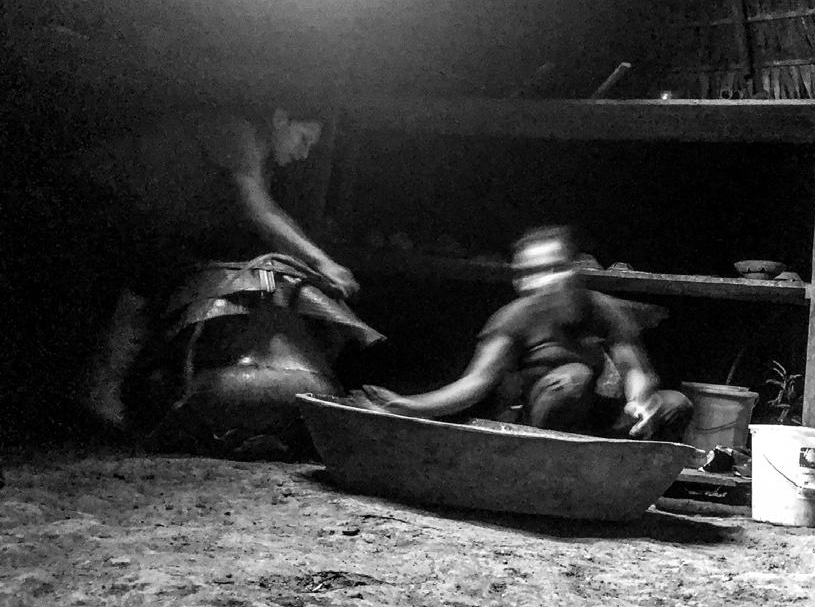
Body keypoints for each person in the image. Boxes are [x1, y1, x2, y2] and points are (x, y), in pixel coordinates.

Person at [81, 105, 380, 429]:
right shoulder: (235, 133)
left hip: (146, 214)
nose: (304, 152)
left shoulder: (260, 160)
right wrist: (323, 262)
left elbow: (263, 216)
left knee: (163, 277)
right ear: (280, 119)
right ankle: (101, 396)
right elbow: (260, 213)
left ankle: (116, 398)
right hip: (96, 193)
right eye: (303, 138)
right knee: (144, 283)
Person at [363, 226, 691, 441]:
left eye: (554, 268)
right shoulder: (514, 318)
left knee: (676, 404)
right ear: (520, 281)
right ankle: (550, 463)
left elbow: (634, 370)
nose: (543, 280)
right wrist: (410, 407)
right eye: (530, 272)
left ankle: (629, 479)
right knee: (573, 378)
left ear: (573, 269)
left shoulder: (601, 308)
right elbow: (474, 383)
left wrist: (639, 402)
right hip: (536, 421)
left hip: (595, 416)